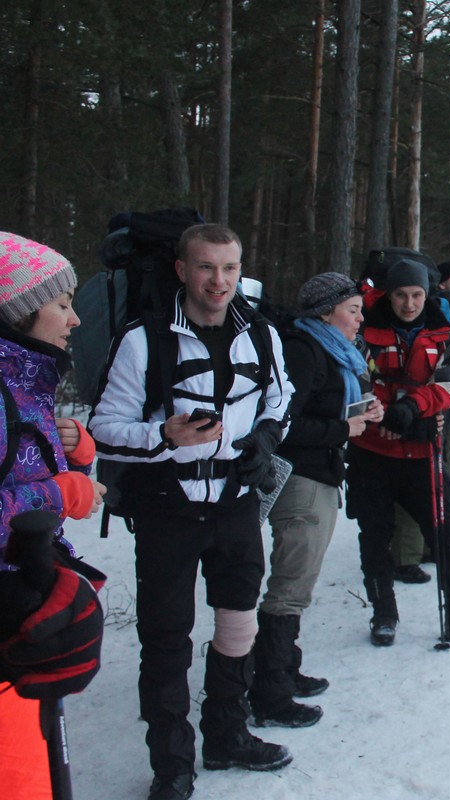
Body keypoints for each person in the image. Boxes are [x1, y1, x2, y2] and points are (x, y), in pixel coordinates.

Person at [90, 223, 295, 800]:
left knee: (239, 622)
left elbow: (280, 398)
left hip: (237, 504)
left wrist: (266, 439)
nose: (218, 281)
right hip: (168, 510)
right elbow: (103, 428)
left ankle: (227, 734)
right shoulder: (142, 340)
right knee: (166, 640)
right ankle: (172, 764)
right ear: (182, 270)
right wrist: (164, 436)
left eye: (229, 268)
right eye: (206, 267)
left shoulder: (261, 333)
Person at [248, 273, 382, 728]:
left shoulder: (333, 351)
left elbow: (323, 408)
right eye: (352, 310)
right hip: (299, 481)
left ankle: (284, 668)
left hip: (319, 476)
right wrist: (343, 428)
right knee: (291, 585)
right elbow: (281, 425)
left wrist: (361, 412)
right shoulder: (303, 351)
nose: (360, 319)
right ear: (326, 312)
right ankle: (269, 692)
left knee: (297, 582)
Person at [0, 232, 106, 799]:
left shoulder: (24, 379)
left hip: (24, 613)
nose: (75, 319)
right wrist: (59, 494)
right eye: (62, 304)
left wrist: (76, 455)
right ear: (18, 312)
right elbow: (33, 497)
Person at [348, 257, 450, 646]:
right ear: (390, 295)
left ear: (426, 295)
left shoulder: (443, 333)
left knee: (449, 534)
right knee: (375, 536)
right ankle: (384, 613)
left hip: (421, 454)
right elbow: (359, 380)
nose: (409, 303)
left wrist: (413, 409)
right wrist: (388, 412)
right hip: (372, 452)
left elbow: (447, 384)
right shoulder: (366, 331)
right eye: (401, 295)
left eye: (416, 295)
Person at [389, 261, 450, 585]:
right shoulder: (435, 314)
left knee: (440, 483)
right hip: (409, 417)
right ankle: (405, 555)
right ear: (443, 283)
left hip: (445, 413)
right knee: (417, 485)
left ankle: (430, 545)